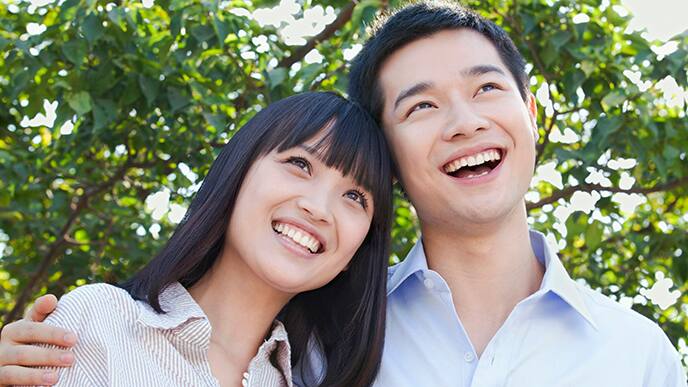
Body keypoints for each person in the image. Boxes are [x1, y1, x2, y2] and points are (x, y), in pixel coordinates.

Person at [1, 2, 687, 386]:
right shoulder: (327, 345)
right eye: (421, 107)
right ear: (389, 155)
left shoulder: (639, 353)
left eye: (485, 88)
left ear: (532, 113)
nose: (464, 121)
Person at [0, 91, 392, 386]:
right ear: (238, 171)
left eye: (355, 197)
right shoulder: (101, 321)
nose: (319, 208)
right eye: (300, 164)